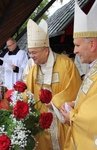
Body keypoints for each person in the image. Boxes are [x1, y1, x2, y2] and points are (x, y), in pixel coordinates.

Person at [26, 19, 82, 150]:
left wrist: (55, 102)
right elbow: (28, 93)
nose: (31, 56)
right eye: (30, 52)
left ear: (46, 51)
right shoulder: (34, 69)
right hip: (42, 126)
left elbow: (75, 90)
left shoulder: (66, 64)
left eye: (34, 52)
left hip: (62, 123)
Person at [61, 1, 97, 150]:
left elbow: (93, 117)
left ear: (92, 45)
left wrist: (73, 118)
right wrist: (76, 104)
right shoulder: (92, 68)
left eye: (77, 45)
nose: (74, 51)